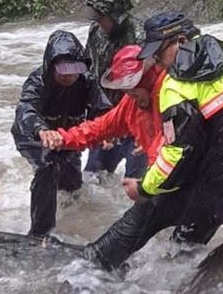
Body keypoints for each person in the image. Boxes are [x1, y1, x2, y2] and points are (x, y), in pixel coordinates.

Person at [83, 12, 223, 269]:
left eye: (158, 55)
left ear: (181, 41)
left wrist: (144, 188)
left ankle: (96, 260)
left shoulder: (174, 86)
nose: (158, 64)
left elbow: (177, 154)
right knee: (203, 199)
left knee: (152, 206)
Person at [39, 45, 166, 197]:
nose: (131, 96)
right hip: (160, 175)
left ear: (146, 80)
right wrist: (63, 138)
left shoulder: (170, 96)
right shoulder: (131, 102)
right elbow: (101, 127)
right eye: (126, 91)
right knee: (94, 178)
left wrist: (144, 188)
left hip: (175, 180)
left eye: (133, 92)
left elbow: (174, 151)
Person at [11, 30, 102, 238]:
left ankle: (73, 219)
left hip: (67, 134)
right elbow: (26, 109)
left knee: (72, 186)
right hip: (33, 135)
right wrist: (41, 130)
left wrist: (105, 132)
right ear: (51, 66)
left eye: (74, 70)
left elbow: (102, 108)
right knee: (47, 167)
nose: (70, 76)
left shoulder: (86, 81)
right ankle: (40, 233)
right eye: (63, 70)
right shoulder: (37, 81)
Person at [82, 0, 147, 179]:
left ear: (117, 15)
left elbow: (147, 85)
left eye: (102, 18)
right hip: (106, 115)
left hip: (135, 118)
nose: (99, 23)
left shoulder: (140, 36)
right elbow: (89, 71)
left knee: (135, 182)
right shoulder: (96, 31)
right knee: (92, 177)